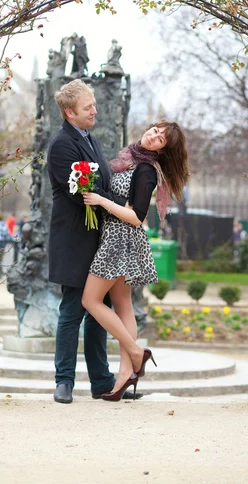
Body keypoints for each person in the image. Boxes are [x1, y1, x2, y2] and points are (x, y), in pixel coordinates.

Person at [82, 121, 189, 401]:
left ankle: (136, 352)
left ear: (162, 151)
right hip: (116, 237)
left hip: (121, 240)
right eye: (155, 130)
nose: (152, 137)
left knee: (90, 301)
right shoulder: (130, 160)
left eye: (160, 140)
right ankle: (122, 380)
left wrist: (101, 201)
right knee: (124, 307)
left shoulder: (145, 170)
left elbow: (137, 216)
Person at [47, 79, 134, 404]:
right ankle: (64, 382)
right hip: (74, 241)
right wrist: (110, 198)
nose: (94, 111)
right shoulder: (61, 145)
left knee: (102, 311)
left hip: (101, 240)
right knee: (72, 310)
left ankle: (102, 382)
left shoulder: (92, 140)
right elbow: (80, 193)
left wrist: (120, 200)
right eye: (88, 107)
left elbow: (104, 184)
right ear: (70, 112)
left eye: (94, 105)